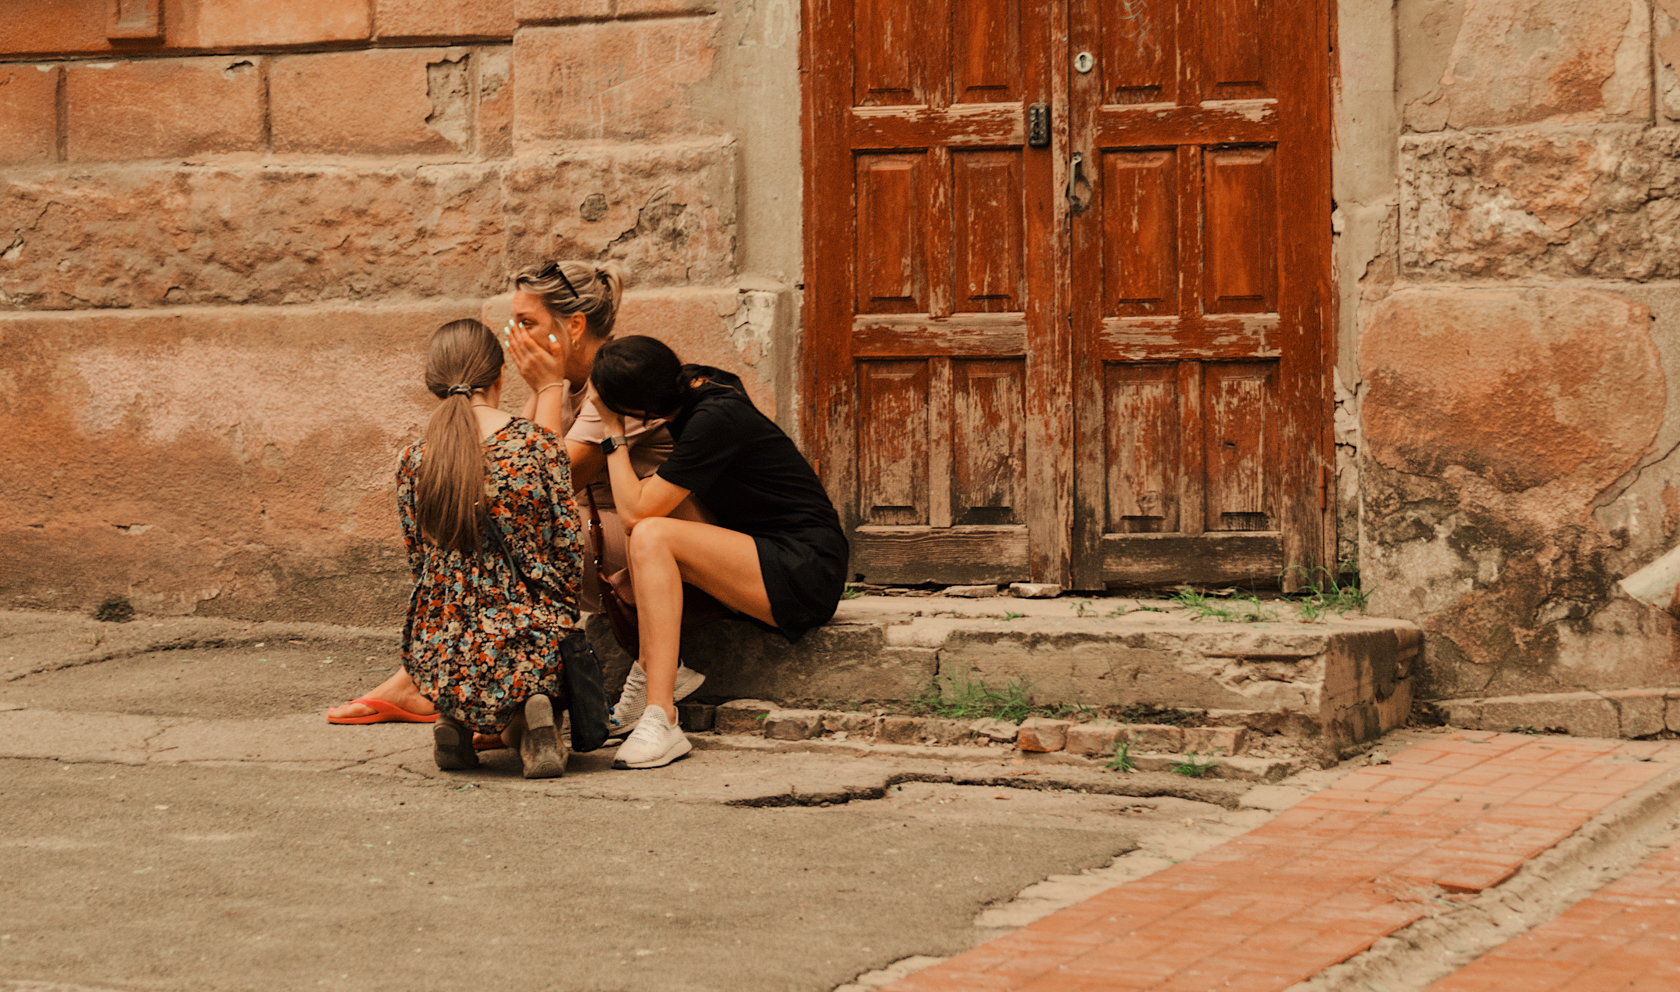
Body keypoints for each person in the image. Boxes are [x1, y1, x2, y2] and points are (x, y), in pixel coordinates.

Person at [326, 261, 708, 738]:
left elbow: (544, 483)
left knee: (511, 528)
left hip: (650, 552)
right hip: (606, 538)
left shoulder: (611, 384)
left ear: (574, 326)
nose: (516, 337)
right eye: (513, 323)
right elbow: (510, 461)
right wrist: (544, 390)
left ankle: (453, 682)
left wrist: (546, 387)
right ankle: (454, 683)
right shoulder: (563, 383)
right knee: (482, 518)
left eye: (526, 323)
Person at [589, 336, 848, 769]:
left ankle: (662, 716)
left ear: (636, 409)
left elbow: (633, 514)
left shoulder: (715, 418)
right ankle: (654, 670)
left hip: (805, 570)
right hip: (760, 550)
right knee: (658, 505)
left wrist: (612, 433)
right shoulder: (698, 387)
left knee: (650, 532)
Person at [398, 318, 580, 778]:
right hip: (523, 640)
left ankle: (453, 721)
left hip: (443, 647)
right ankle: (535, 709)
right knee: (542, 640)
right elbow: (567, 548)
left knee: (455, 633)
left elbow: (419, 559)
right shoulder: (538, 445)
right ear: (500, 376)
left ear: (433, 382)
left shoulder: (415, 458)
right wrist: (560, 613)